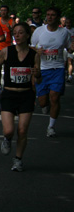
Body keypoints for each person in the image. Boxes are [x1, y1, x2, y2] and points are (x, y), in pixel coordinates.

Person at [0, 23, 41, 171]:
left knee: (23, 131)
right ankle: (7, 139)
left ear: (27, 35)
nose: (17, 36)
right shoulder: (6, 51)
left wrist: (37, 74)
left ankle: (18, 159)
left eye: (20, 33)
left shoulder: (34, 55)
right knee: (9, 130)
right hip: (9, 94)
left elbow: (38, 79)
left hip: (26, 95)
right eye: (15, 33)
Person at [30, 7, 72, 137]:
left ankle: (51, 127)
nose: (50, 17)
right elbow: (31, 47)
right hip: (42, 69)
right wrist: (37, 51)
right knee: (43, 101)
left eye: (53, 15)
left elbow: (69, 49)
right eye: (48, 15)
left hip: (57, 68)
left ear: (58, 17)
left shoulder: (64, 33)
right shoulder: (39, 31)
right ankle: (45, 104)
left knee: (55, 97)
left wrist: (71, 48)